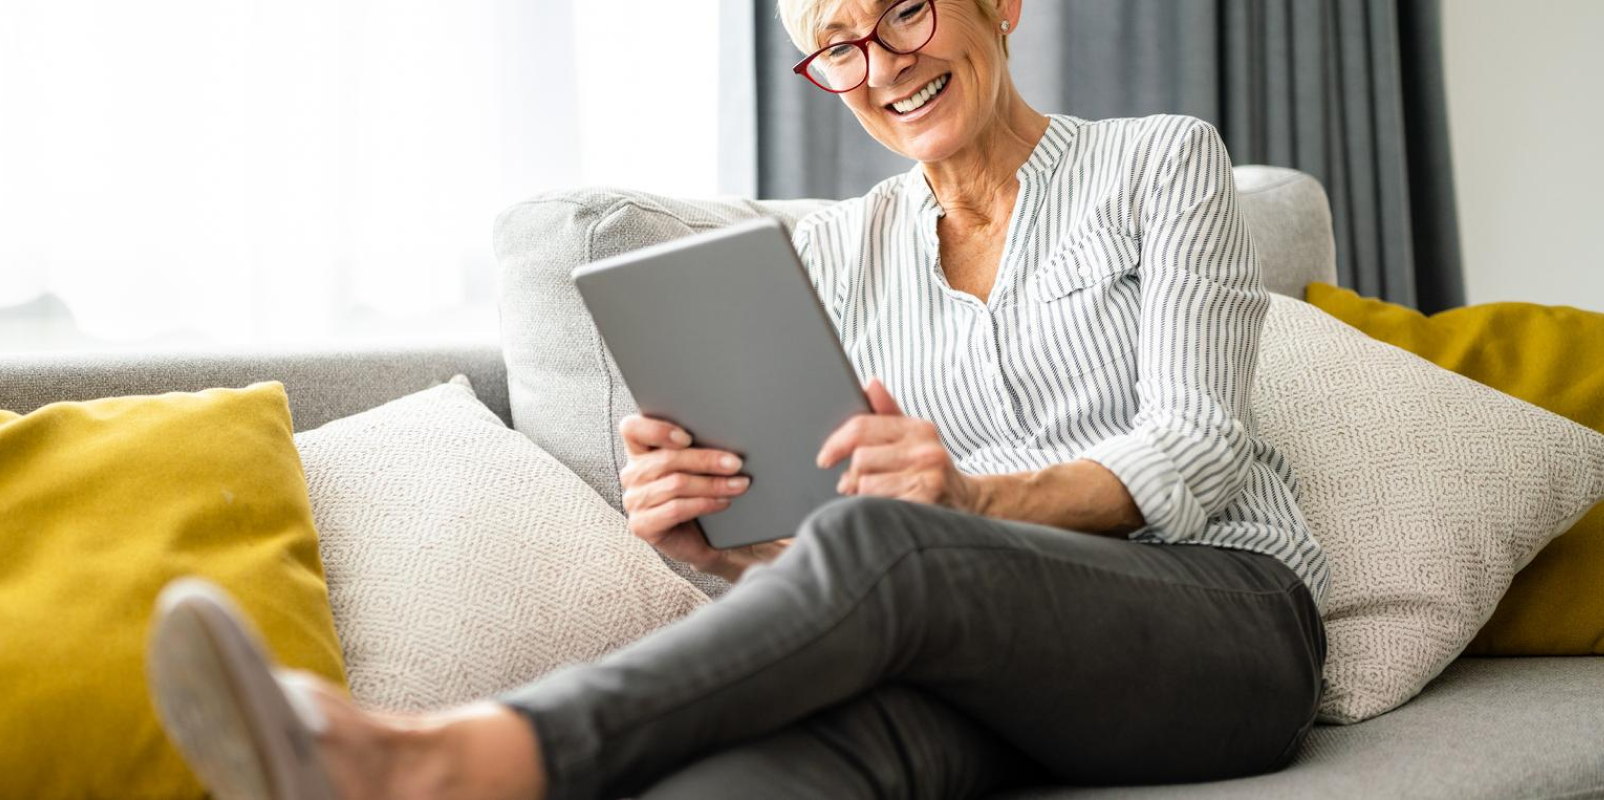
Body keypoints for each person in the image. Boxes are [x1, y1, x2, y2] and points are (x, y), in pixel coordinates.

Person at [142, 0, 1330, 797]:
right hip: (977, 657)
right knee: (739, 778)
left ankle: (448, 752)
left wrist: (965, 498)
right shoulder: (835, 254)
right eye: (839, 46)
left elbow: (1197, 444)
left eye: (905, 8)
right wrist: (712, 545)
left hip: (1218, 618)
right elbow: (843, 554)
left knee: (894, 542)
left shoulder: (1159, 160)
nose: (885, 63)